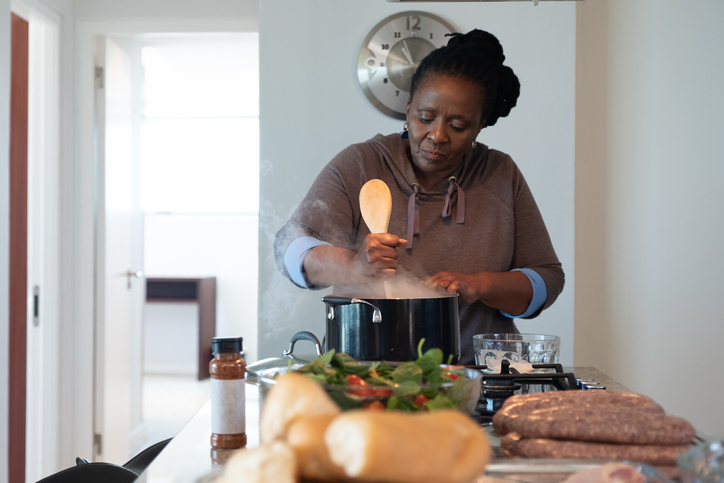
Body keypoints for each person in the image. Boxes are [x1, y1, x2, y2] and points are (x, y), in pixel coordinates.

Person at [274, 29, 564, 364]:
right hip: (363, 376)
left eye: (458, 126)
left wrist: (480, 284)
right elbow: (288, 246)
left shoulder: (499, 173)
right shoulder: (361, 164)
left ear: (481, 126)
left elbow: (547, 281)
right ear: (408, 108)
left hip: (474, 377)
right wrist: (354, 266)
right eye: (425, 118)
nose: (437, 135)